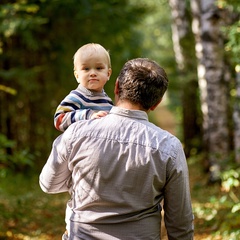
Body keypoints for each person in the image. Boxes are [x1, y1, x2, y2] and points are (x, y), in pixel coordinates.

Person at [40, 58, 194, 239]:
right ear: (156, 103)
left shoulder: (76, 132)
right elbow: (180, 223)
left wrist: (79, 180)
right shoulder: (169, 147)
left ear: (116, 87)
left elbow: (48, 184)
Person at [54, 43, 113, 132]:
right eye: (86, 69)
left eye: (99, 68)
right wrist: (87, 115)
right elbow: (59, 120)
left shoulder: (108, 102)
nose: (93, 73)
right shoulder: (76, 97)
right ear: (77, 75)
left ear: (108, 74)